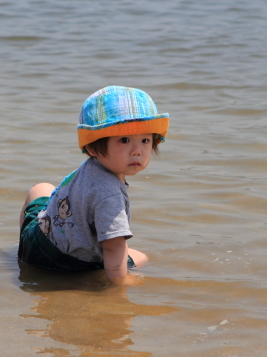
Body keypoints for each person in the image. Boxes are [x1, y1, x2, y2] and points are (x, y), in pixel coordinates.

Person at [18, 86, 169, 285]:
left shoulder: (93, 166)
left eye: (144, 140)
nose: (137, 151)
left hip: (36, 243)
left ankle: (21, 253)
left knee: (40, 188)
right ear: (92, 146)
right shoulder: (110, 194)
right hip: (67, 265)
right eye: (124, 140)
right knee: (141, 257)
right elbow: (113, 247)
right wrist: (121, 284)